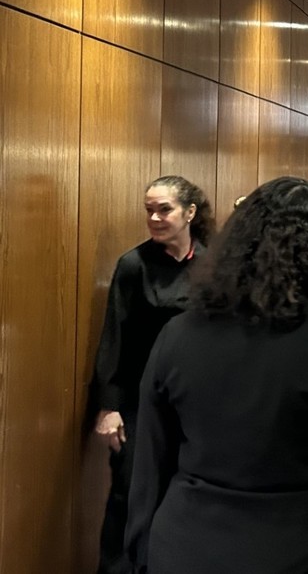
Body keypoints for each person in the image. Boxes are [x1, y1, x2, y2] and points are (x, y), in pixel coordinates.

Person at [125, 177, 308, 574]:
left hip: (184, 542)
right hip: (299, 547)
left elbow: (149, 462)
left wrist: (141, 550)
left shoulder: (178, 334)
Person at [91, 175, 212, 574]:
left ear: (189, 213)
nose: (155, 218)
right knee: (129, 494)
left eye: (165, 209)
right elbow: (114, 339)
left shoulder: (213, 265)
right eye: (149, 211)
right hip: (140, 402)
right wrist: (109, 408)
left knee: (188, 494)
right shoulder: (133, 265)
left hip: (196, 403)